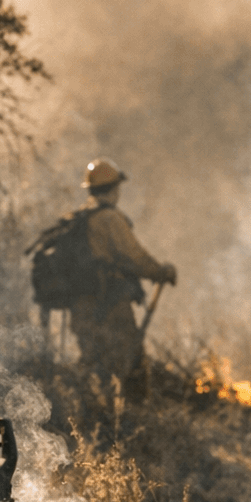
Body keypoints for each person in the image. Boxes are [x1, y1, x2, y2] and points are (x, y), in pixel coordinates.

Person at [65, 158, 176, 382]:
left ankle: (86, 410)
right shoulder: (109, 218)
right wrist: (161, 272)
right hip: (110, 306)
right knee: (129, 367)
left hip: (81, 307)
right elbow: (134, 256)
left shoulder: (81, 218)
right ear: (114, 188)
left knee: (94, 367)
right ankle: (129, 414)